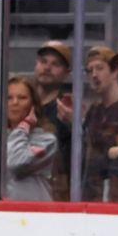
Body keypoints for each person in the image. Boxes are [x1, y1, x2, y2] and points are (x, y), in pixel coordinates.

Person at [80, 45, 118, 201]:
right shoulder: (94, 111)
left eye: (99, 68)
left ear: (114, 72)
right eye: (90, 70)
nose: (94, 75)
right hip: (95, 191)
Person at [3, 76, 59, 202]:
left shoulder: (47, 140)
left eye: (22, 98)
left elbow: (16, 162)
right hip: (3, 210)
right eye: (9, 98)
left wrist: (24, 126)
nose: (15, 102)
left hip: (35, 210)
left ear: (33, 104)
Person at [35, 40, 74, 200]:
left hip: (55, 190)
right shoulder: (22, 102)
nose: (47, 67)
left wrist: (73, 123)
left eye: (55, 64)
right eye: (43, 61)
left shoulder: (68, 109)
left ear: (67, 72)